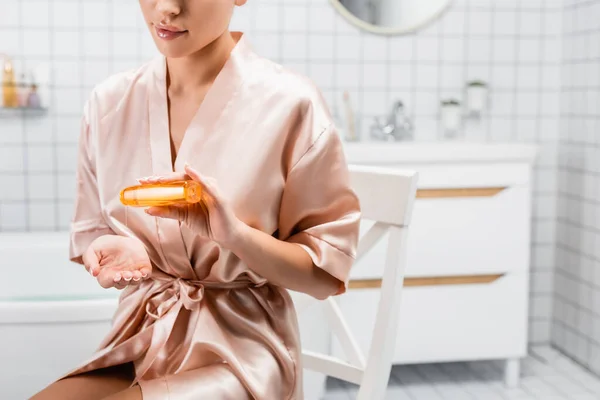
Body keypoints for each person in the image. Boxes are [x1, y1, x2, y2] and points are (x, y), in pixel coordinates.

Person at [32, 1, 360, 399]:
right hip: (143, 337)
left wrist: (235, 235)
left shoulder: (292, 104)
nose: (166, 8)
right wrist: (135, 250)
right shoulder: (108, 104)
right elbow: (97, 230)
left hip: (241, 356)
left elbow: (325, 277)